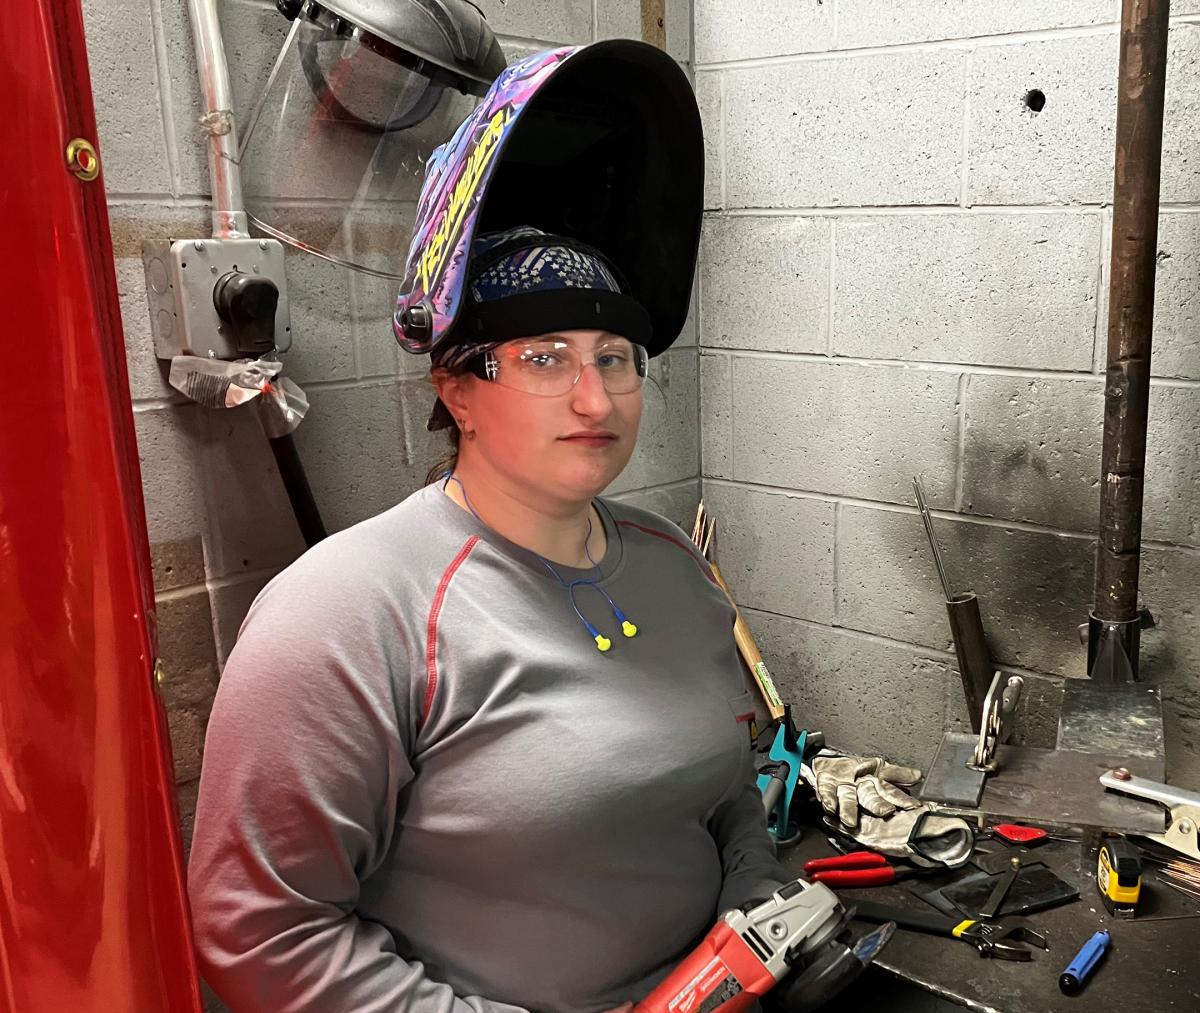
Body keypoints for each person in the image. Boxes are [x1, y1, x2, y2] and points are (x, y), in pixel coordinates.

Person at [188, 40, 785, 1013]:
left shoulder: (676, 565)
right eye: (545, 356)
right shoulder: (344, 613)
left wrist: (758, 923)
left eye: (616, 354)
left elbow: (724, 795)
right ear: (457, 386)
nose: (595, 394)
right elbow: (258, 928)